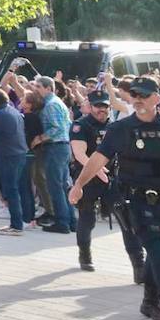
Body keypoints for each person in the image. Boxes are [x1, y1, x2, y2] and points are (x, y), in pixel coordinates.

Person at [69, 76, 160, 320]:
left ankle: (149, 302)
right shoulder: (120, 129)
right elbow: (97, 160)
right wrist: (79, 185)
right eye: (134, 95)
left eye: (143, 95)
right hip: (136, 201)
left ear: (156, 98)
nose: (137, 100)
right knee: (159, 249)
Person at [69, 89, 113, 271]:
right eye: (98, 106)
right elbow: (79, 153)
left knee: (126, 218)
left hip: (111, 177)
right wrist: (97, 171)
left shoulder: (115, 126)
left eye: (105, 106)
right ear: (90, 107)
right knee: (87, 218)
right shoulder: (81, 125)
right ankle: (84, 255)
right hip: (87, 178)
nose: (101, 109)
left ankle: (138, 263)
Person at [31, 75, 75, 234]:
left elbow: (56, 128)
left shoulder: (51, 105)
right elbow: (68, 124)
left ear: (48, 88)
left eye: (38, 87)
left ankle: (62, 222)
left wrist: (39, 138)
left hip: (55, 147)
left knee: (55, 186)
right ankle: (71, 221)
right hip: (61, 147)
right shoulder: (58, 103)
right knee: (62, 186)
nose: (36, 89)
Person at [0, 88, 30, 235]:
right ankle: (24, 220)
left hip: (8, 155)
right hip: (20, 153)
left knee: (11, 189)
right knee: (20, 188)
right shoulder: (14, 111)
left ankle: (16, 226)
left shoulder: (0, 115)